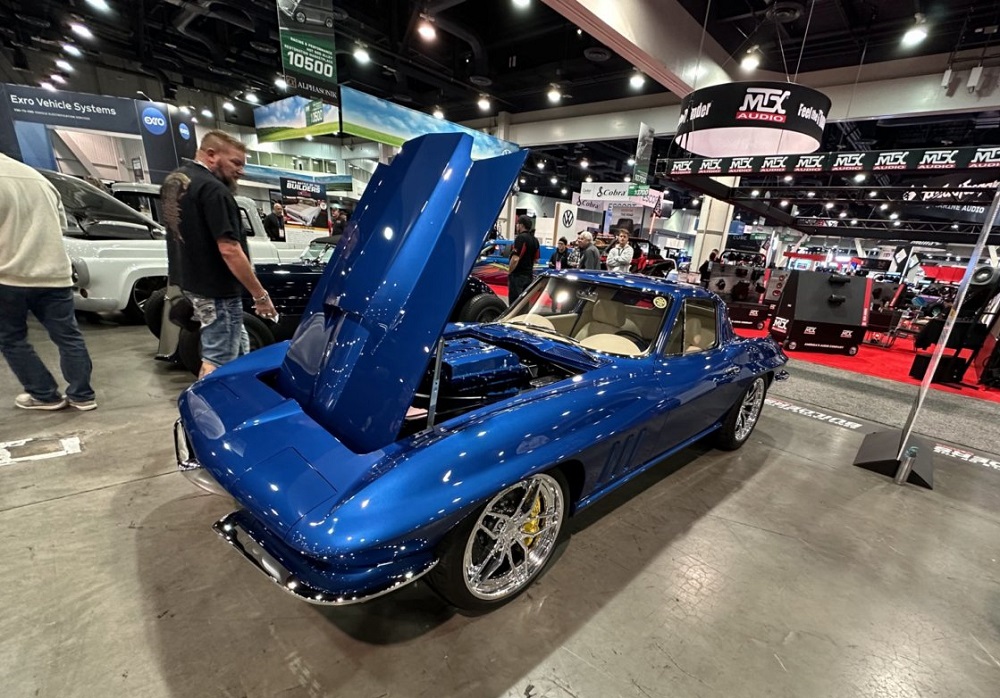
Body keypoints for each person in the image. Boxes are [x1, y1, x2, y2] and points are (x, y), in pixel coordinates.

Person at [161, 130, 277, 379]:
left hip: (192, 284)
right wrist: (260, 295)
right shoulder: (214, 190)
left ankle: (245, 395)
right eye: (236, 162)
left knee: (240, 347)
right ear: (211, 155)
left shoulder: (175, 181)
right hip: (217, 291)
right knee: (218, 361)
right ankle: (208, 413)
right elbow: (229, 249)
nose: (241, 171)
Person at [0, 152, 97, 411]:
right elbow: (61, 225)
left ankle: (44, 394)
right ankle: (82, 395)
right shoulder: (38, 179)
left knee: (12, 339)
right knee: (68, 336)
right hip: (54, 273)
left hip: (9, 275)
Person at [508, 214, 540, 302]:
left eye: (517, 224)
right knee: (524, 303)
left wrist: (510, 272)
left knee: (514, 303)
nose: (516, 226)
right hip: (529, 276)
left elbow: (515, 259)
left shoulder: (520, 238)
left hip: (518, 276)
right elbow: (536, 259)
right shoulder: (535, 240)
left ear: (521, 225)